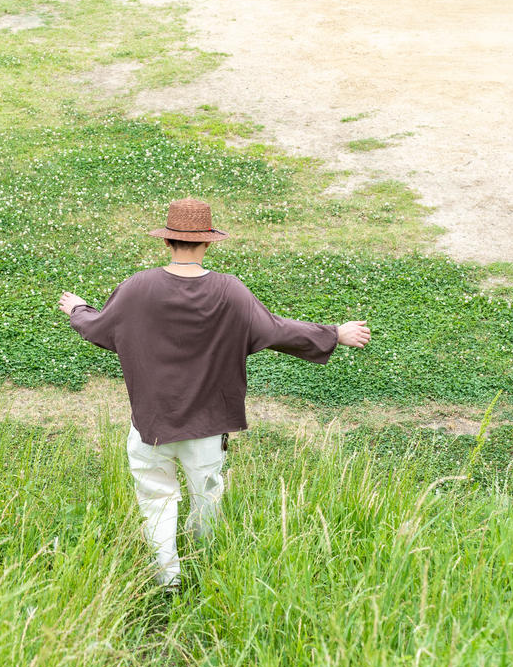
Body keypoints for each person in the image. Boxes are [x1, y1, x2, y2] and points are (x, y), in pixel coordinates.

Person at [58, 198, 371, 590]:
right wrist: (334, 334)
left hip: (150, 426)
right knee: (207, 503)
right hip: (207, 429)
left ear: (167, 242)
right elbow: (275, 330)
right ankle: (207, 576)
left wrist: (77, 309)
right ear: (208, 243)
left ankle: (166, 580)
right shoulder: (229, 291)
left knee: (155, 502)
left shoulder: (137, 288)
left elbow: (99, 328)